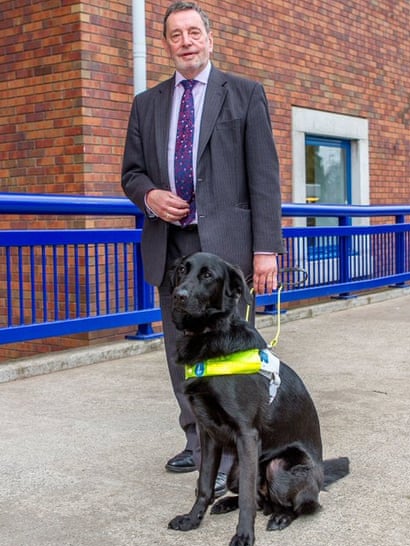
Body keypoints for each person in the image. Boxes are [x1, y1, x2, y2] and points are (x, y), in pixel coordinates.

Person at [121, 1, 283, 497]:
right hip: (172, 247)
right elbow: (130, 173)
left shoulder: (246, 94)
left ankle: (241, 442)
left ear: (209, 39)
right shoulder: (146, 104)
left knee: (234, 350)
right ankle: (197, 439)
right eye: (175, 34)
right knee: (180, 351)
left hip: (229, 251)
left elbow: (264, 178)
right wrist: (149, 195)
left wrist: (266, 250)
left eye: (194, 32)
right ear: (166, 43)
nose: (186, 41)